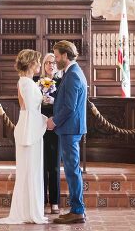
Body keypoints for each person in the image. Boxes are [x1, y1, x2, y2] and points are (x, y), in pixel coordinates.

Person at [0, 49, 48, 225]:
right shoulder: (28, 84)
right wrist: (47, 121)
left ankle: (28, 210)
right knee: (30, 171)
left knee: (29, 171)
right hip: (30, 128)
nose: (39, 64)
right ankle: (30, 212)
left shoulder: (25, 81)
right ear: (30, 63)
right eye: (37, 62)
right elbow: (30, 110)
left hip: (27, 125)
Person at [47, 40, 88, 224]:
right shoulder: (72, 72)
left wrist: (54, 121)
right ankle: (76, 209)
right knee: (73, 169)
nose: (55, 60)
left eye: (56, 56)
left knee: (72, 170)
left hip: (70, 129)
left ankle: (78, 210)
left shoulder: (72, 75)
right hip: (71, 128)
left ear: (65, 55)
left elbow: (70, 107)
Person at [33, 53, 61, 214]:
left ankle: (55, 202)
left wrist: (54, 101)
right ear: (43, 65)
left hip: (56, 127)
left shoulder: (62, 82)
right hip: (40, 126)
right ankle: (42, 200)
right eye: (48, 63)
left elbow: (65, 104)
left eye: (54, 63)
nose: (51, 65)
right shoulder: (36, 82)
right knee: (41, 165)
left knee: (55, 166)